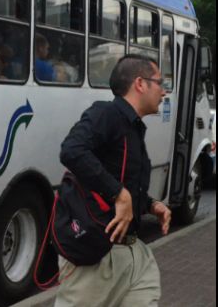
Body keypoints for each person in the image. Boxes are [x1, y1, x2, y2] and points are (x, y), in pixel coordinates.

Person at [55, 54, 172, 307]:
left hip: (134, 255)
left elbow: (123, 179)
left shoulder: (134, 127)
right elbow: (71, 150)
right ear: (140, 84)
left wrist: (151, 205)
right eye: (160, 83)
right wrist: (119, 193)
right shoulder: (106, 113)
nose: (164, 91)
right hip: (96, 260)